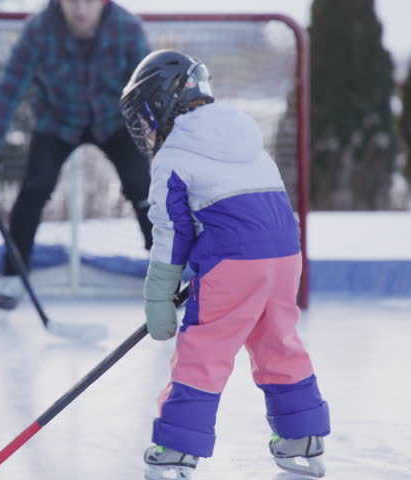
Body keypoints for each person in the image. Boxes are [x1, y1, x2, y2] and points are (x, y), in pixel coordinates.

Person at [120, 50, 331, 479]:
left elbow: (170, 235)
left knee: (204, 352)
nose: (145, 130)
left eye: (144, 116)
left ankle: (177, 450)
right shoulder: (248, 141)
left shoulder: (172, 157)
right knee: (279, 344)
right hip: (286, 257)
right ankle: (301, 439)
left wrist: (159, 297)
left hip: (233, 266)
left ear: (163, 103)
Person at [0, 0, 154, 310]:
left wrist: (168, 146)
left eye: (88, 2)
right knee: (35, 187)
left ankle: (167, 273)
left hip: (114, 120)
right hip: (58, 121)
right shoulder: (38, 30)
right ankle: (13, 274)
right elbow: (9, 89)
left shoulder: (127, 29)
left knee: (141, 186)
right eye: (72, 1)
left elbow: (150, 89)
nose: (80, 10)